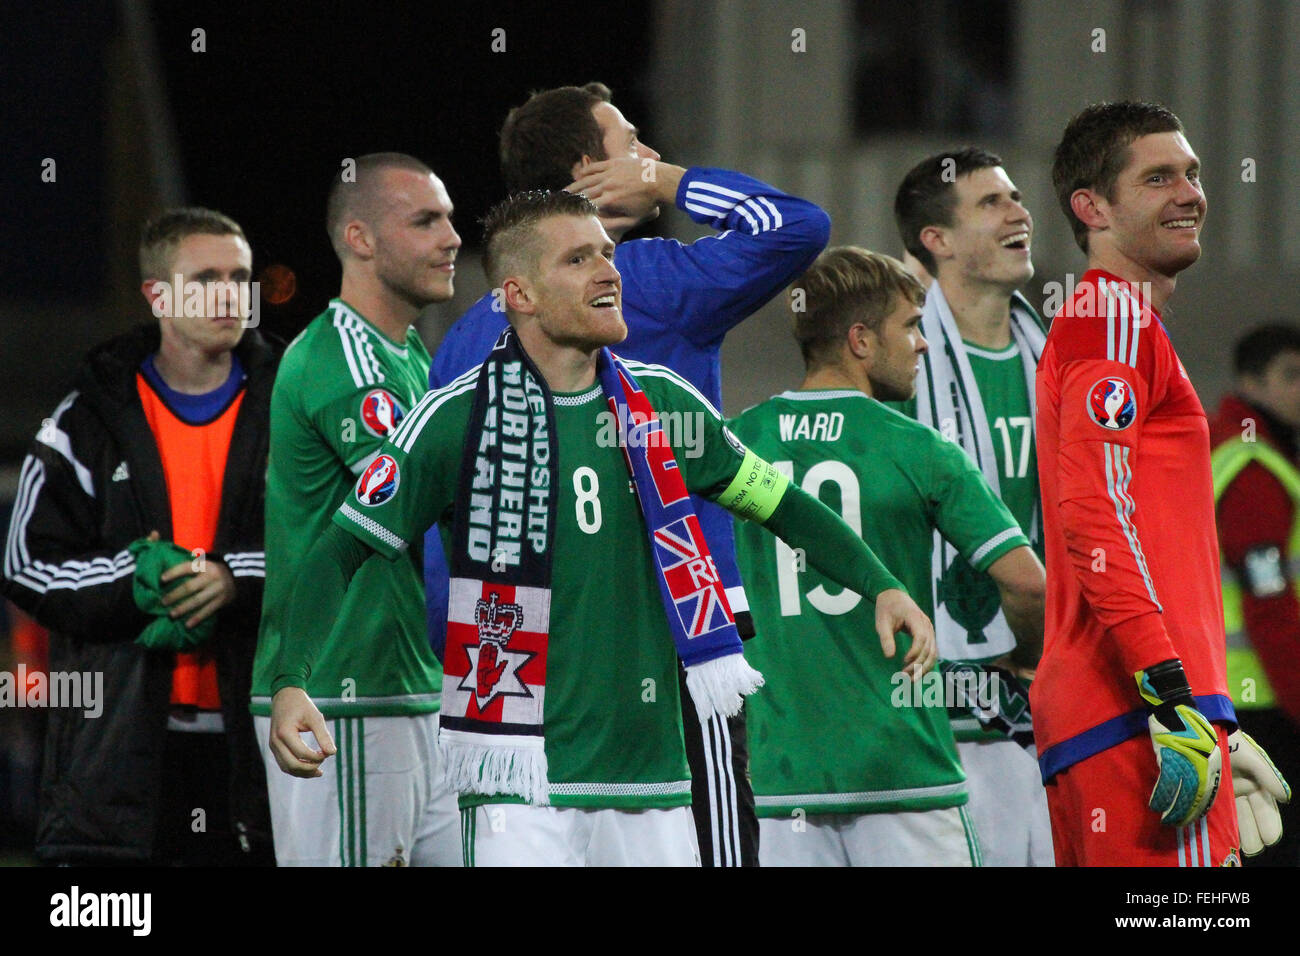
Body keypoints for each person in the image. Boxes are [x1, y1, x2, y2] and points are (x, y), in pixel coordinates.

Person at [268, 190, 934, 867]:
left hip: (653, 782)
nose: (607, 271)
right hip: (518, 781)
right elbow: (340, 550)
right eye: (578, 258)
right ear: (520, 294)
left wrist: (881, 585)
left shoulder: (666, 408)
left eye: (607, 254)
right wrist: (293, 680)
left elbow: (783, 505)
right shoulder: (453, 419)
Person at [426, 82, 831, 866]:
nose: (646, 154)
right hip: (674, 643)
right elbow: (795, 226)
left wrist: (463, 652)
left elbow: (444, 538)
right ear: (591, 170)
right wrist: (673, 181)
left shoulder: (470, 333)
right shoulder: (651, 282)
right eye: (632, 144)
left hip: (514, 666)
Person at [731, 246, 1045, 866]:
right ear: (860, 340)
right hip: (904, 769)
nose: (923, 344)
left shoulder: (739, 441)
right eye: (909, 326)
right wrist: (1027, 664)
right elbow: (1029, 585)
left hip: (785, 773)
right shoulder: (919, 447)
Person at [1037, 101, 1290, 866]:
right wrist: (1172, 693)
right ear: (1093, 208)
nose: (1190, 193)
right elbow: (1094, 513)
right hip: (1136, 713)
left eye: (1192, 173)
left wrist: (1213, 710)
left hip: (1132, 710)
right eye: (1157, 178)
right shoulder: (1113, 317)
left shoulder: (1115, 324)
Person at [2, 207, 277, 865]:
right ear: (157, 295)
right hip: (118, 747)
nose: (230, 293)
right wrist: (143, 582)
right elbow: (26, 563)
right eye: (206, 276)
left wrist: (232, 578)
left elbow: (336, 545)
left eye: (241, 277)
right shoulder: (89, 414)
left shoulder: (293, 403)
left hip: (264, 747)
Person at [250, 153, 463, 866]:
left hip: (401, 688)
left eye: (451, 218)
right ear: (361, 238)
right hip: (341, 693)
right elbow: (417, 491)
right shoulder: (347, 359)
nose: (453, 236)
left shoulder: (401, 356)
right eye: (426, 220)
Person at [893, 148, 1052, 865]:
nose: (1020, 211)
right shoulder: (896, 366)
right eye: (991, 202)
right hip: (933, 689)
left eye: (1016, 197)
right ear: (938, 240)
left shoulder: (1060, 356)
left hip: (1051, 674)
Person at [1210, 323, 1300, 862]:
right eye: (1290, 375)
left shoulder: (1249, 451)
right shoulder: (1253, 470)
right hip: (1262, 701)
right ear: (1250, 382)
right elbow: (1268, 605)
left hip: (1246, 697)